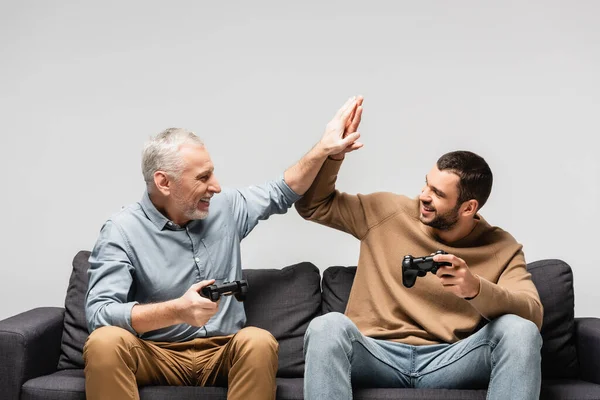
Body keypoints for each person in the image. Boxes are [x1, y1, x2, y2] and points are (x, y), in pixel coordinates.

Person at [83, 96, 364, 400]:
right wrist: (177, 311)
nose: (216, 186)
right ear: (164, 182)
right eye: (203, 178)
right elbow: (100, 313)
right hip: (155, 354)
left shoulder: (224, 208)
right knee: (104, 342)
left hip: (223, 353)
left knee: (258, 341)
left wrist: (324, 148)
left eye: (212, 173)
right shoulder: (122, 230)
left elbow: (283, 191)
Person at [295, 111, 544, 399]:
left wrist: (475, 289)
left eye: (437, 193)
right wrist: (333, 156)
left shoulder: (501, 247)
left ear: (468, 208)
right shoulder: (386, 212)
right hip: (376, 354)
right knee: (326, 326)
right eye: (426, 184)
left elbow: (532, 316)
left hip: (450, 360)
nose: (423, 196)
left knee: (519, 331)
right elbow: (312, 206)